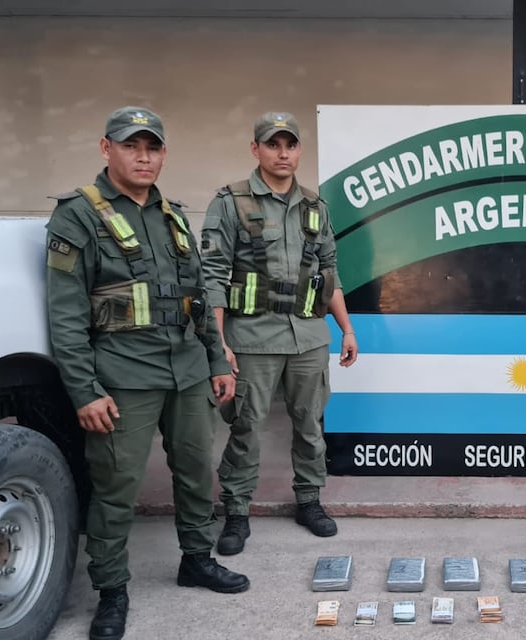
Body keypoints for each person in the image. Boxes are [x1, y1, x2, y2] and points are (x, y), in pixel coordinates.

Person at [46, 106, 249, 640]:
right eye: (131, 145)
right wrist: (84, 391)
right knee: (116, 486)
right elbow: (65, 315)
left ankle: (197, 560)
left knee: (194, 472)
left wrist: (214, 360)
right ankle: (111, 591)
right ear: (105, 148)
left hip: (186, 372)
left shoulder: (173, 215)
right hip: (122, 376)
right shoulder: (78, 216)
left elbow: (198, 301)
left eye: (152, 147)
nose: (143, 156)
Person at [199, 111, 358, 556]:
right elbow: (211, 277)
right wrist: (220, 343)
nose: (283, 153)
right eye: (273, 144)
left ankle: (309, 500)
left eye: (290, 145)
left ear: (300, 151)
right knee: (246, 427)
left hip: (308, 338)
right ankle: (236, 511)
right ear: (256, 150)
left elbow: (329, 274)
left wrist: (346, 328)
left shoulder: (314, 207)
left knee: (310, 426)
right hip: (252, 338)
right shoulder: (231, 203)